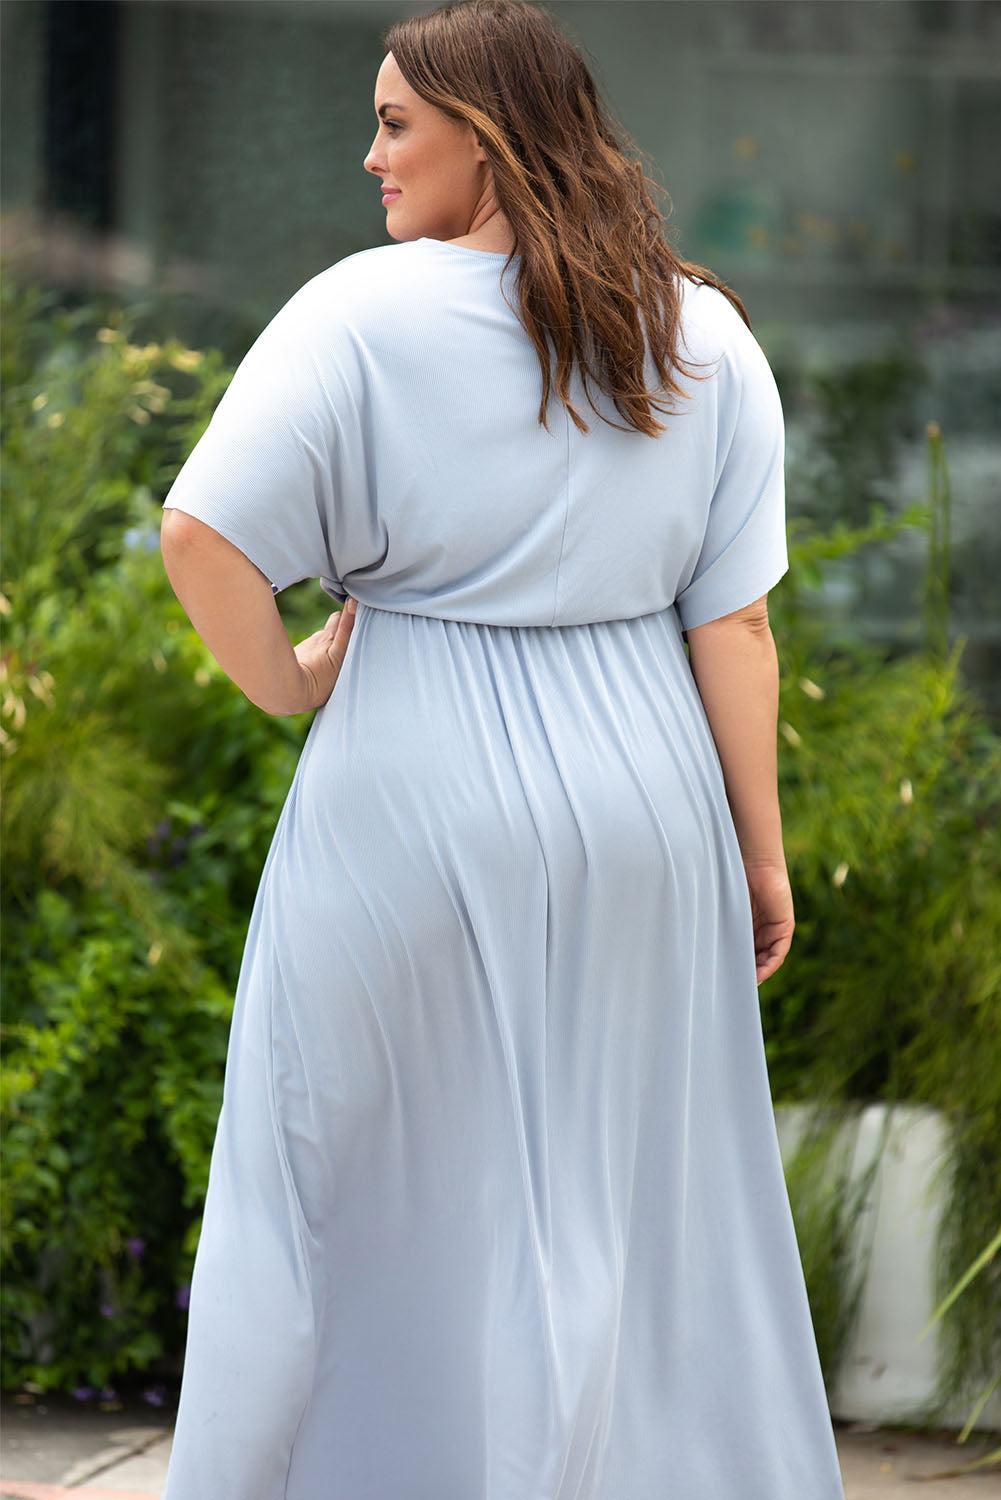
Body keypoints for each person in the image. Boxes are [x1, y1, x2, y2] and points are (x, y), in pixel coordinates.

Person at [158, 2, 846, 1495]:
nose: (370, 154)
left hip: (412, 781)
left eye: (395, 122)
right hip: (643, 797)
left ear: (485, 134)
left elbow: (201, 534)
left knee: (343, 1168)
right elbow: (735, 628)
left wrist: (286, 683)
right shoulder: (699, 331)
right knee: (625, 1196)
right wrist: (760, 855)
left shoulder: (359, 312)